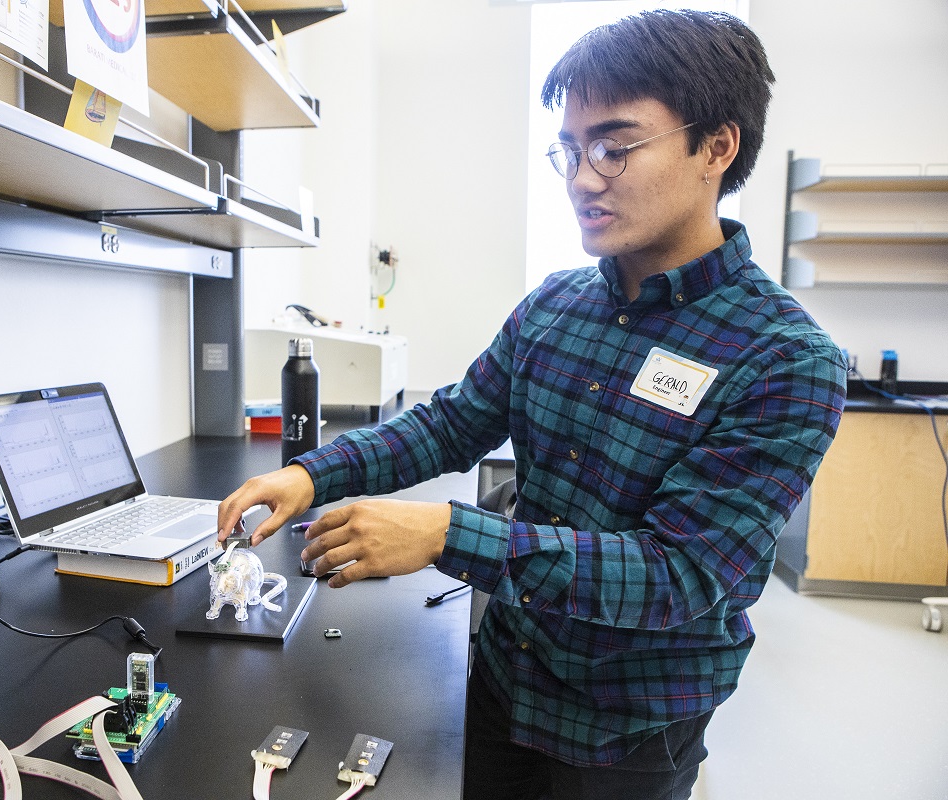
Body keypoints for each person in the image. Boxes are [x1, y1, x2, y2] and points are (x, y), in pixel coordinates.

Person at [217, 9, 846, 800]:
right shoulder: (556, 304)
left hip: (626, 731)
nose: (584, 178)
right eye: (571, 150)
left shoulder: (785, 359)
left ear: (716, 146)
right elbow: (453, 422)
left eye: (615, 148)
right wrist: (313, 475)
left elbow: (677, 574)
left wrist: (448, 533)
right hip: (506, 680)